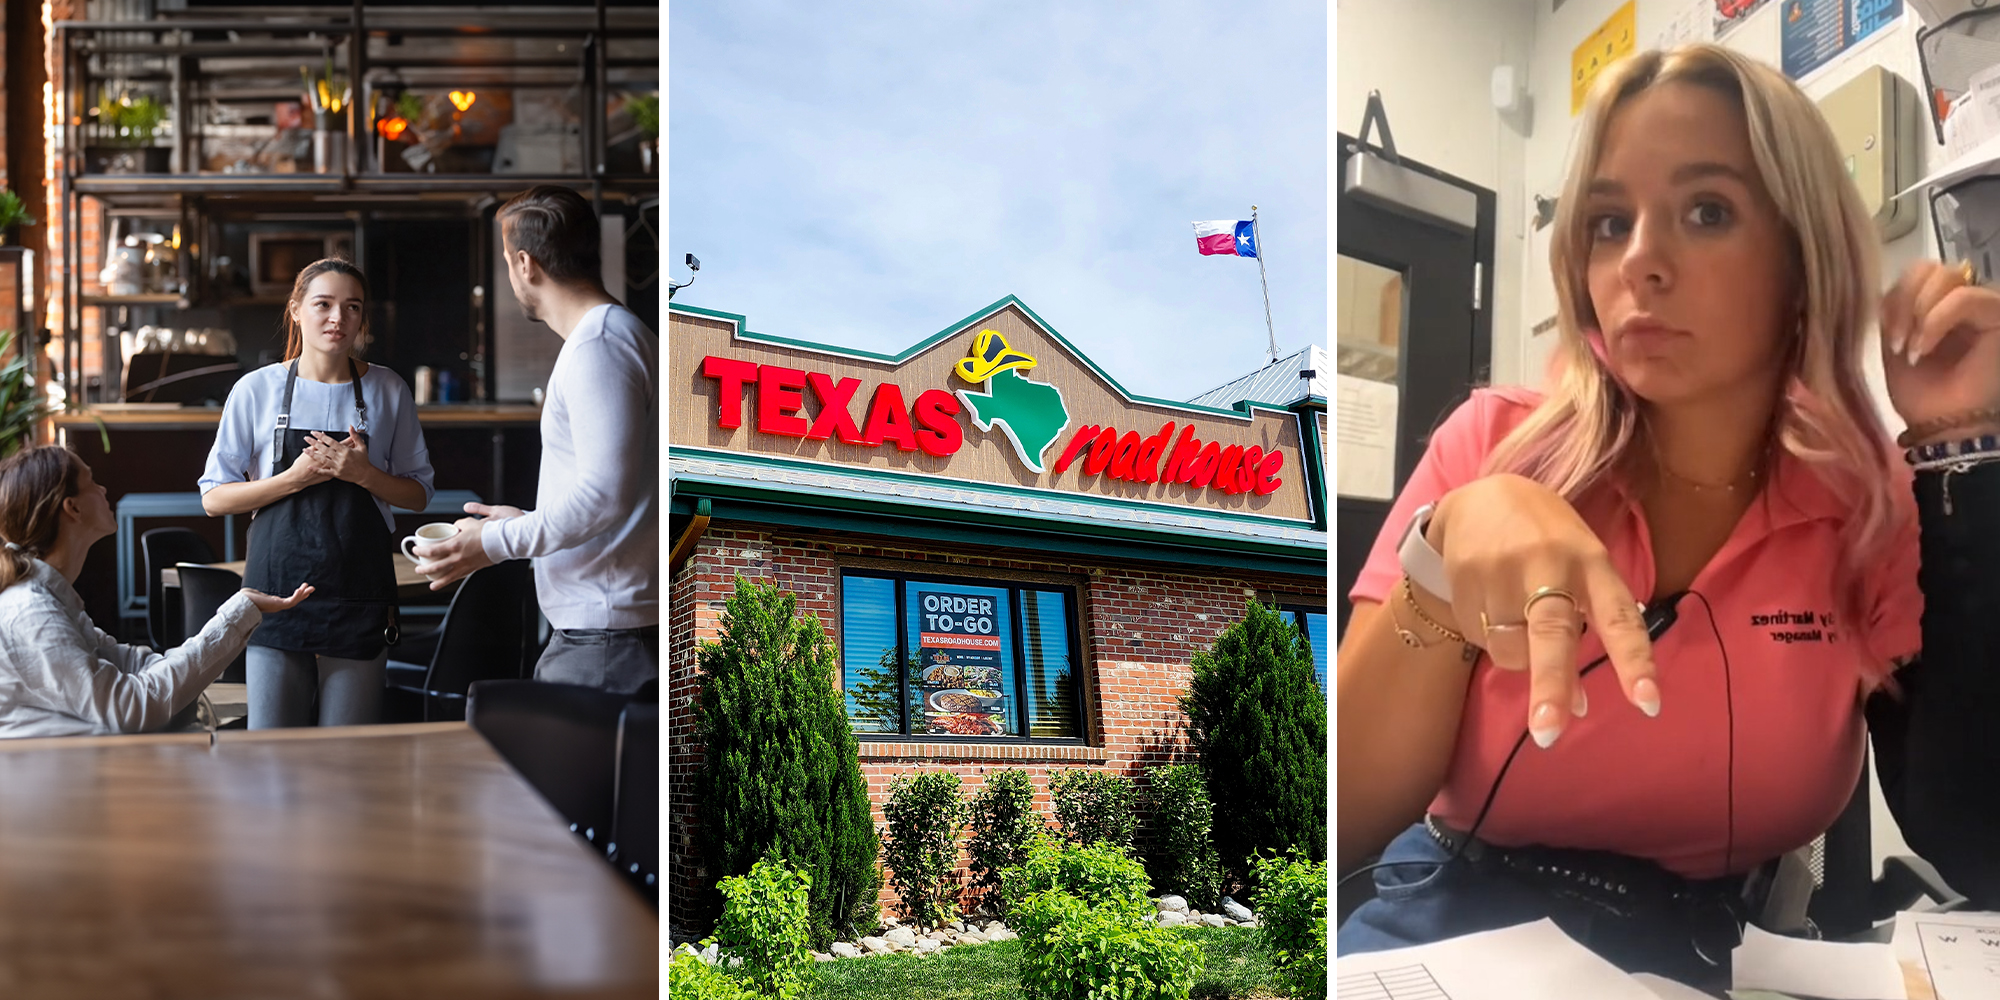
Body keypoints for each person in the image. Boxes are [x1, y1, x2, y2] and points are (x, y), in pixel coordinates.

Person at [1336, 42, 2000, 983]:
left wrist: (1960, 447)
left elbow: (1979, 846)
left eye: (1707, 211)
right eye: (1609, 222)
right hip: (1450, 926)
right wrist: (1438, 570)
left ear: (1802, 258)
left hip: (1716, 954)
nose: (1640, 261)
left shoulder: (1866, 504)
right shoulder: (1493, 446)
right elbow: (1339, 818)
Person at [409, 185, 658, 695]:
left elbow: (604, 497)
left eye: (507, 261)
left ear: (525, 264)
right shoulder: (610, 336)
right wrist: (522, 522)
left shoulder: (599, 346)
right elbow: (613, 492)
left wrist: (493, 543)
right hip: (605, 632)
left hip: (605, 640)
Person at [199, 258, 435, 729]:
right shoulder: (255, 390)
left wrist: (362, 473)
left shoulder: (388, 389)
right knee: (273, 753)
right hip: (274, 593)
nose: (338, 318)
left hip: (360, 593)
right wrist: (294, 478)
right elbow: (214, 498)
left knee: (348, 756)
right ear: (296, 310)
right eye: (323, 304)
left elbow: (418, 495)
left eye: (352, 307)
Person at [0, 445, 311, 736]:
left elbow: (136, 665)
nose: (103, 489)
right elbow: (129, 709)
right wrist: (237, 614)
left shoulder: (51, 600)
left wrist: (239, 614)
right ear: (73, 508)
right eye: (91, 482)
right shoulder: (33, 615)